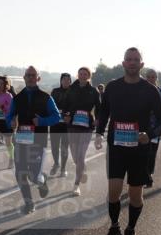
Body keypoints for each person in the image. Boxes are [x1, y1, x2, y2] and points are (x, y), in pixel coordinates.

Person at [95, 48, 161, 235]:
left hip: (139, 150)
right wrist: (99, 133)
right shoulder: (112, 87)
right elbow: (104, 113)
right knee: (113, 192)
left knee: (135, 194)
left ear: (141, 64)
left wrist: (149, 135)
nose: (132, 62)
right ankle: (115, 227)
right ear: (123, 63)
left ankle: (130, 230)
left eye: (136, 60)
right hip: (117, 147)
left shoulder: (150, 90)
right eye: (129, 59)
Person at [6, 66, 62, 214]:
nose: (30, 77)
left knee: (33, 175)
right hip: (21, 140)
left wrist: (42, 121)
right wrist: (10, 121)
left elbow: (57, 117)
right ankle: (29, 203)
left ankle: (42, 179)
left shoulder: (46, 97)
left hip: (39, 141)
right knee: (20, 173)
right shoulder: (17, 98)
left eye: (33, 75)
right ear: (24, 78)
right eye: (28, 75)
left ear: (38, 78)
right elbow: (9, 116)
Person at [61, 66, 102, 196]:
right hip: (73, 125)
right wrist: (65, 115)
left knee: (80, 155)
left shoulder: (93, 91)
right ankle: (82, 169)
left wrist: (98, 118)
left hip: (87, 125)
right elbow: (65, 105)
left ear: (88, 76)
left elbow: (99, 107)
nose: (83, 76)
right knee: (74, 156)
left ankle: (76, 185)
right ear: (78, 75)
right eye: (81, 74)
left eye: (85, 74)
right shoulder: (71, 89)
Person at [143, 69, 161, 188]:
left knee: (151, 152)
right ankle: (141, 174)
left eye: (153, 77)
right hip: (140, 127)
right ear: (145, 77)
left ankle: (149, 174)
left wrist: (158, 111)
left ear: (156, 79)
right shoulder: (139, 90)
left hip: (155, 128)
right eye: (149, 77)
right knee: (140, 152)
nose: (151, 79)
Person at [48, 73, 72, 177]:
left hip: (66, 123)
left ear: (70, 81)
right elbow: (50, 105)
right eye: (64, 79)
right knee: (54, 146)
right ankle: (56, 164)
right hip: (55, 123)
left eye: (68, 80)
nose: (66, 81)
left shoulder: (73, 92)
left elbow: (74, 106)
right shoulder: (55, 91)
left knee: (64, 147)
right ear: (61, 81)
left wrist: (69, 114)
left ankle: (63, 168)